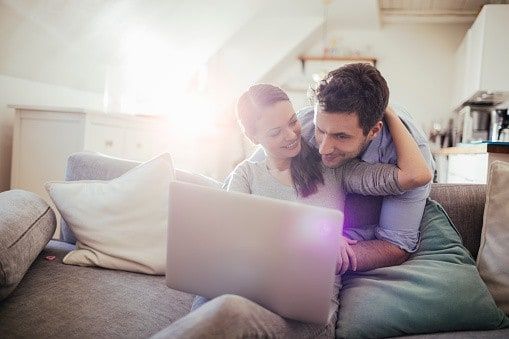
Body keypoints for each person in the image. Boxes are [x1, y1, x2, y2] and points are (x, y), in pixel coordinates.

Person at [152, 83, 432, 339]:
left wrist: (389, 112)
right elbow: (231, 238)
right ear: (253, 137)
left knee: (230, 310)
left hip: (304, 312)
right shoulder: (246, 175)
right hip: (246, 290)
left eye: (292, 121)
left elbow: (415, 175)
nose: (290, 136)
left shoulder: (334, 167)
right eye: (275, 132)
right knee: (214, 303)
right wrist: (315, 238)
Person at [297, 62, 434, 272]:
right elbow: (253, 176)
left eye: (341, 136)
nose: (323, 148)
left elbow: (395, 246)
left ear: (373, 131)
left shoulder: (407, 156)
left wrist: (322, 256)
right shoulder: (304, 125)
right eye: (321, 130)